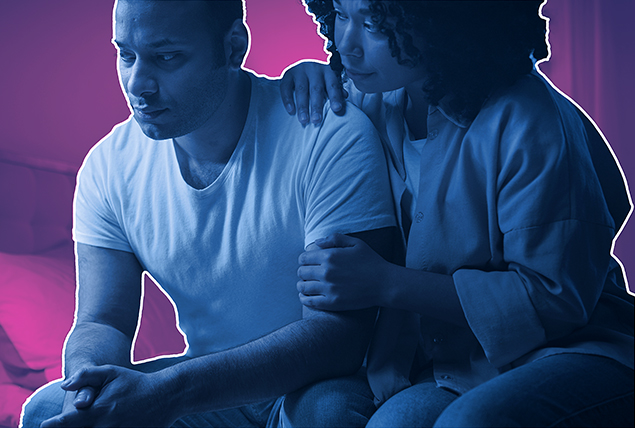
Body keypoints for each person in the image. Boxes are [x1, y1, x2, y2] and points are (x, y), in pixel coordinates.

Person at [19, 0, 401, 426]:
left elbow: (339, 338)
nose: (138, 83)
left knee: (328, 412)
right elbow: (102, 319)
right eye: (126, 54)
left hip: (314, 382)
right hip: (209, 390)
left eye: (167, 58)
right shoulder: (108, 167)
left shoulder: (325, 132)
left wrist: (170, 393)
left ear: (234, 47)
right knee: (46, 410)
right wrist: (86, 390)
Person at [281, 0, 635, 426]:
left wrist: (386, 283)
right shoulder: (367, 100)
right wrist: (306, 77)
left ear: (443, 21)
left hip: (571, 349)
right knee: (355, 415)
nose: (347, 44)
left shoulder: (527, 117)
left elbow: (554, 299)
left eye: (374, 24)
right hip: (446, 364)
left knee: (465, 421)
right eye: (339, 13)